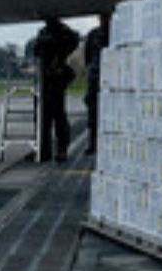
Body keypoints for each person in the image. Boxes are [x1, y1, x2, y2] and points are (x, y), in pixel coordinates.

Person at [29, 16, 80, 162]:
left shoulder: (64, 33)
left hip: (56, 78)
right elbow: (37, 52)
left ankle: (61, 149)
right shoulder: (43, 33)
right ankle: (43, 151)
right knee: (42, 117)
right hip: (44, 77)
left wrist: (59, 55)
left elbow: (73, 41)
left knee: (58, 115)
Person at [82, 11, 110, 157]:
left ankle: (106, 144)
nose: (104, 20)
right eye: (102, 17)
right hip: (95, 78)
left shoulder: (115, 33)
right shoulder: (93, 35)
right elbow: (87, 57)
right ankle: (92, 144)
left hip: (111, 80)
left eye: (106, 17)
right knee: (93, 114)